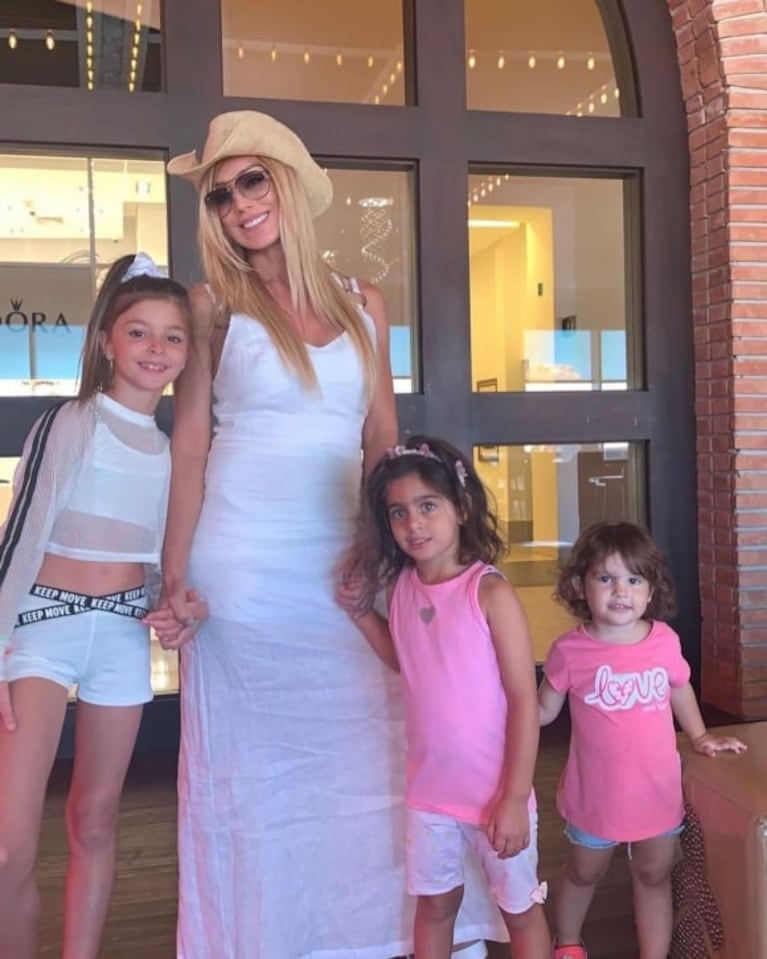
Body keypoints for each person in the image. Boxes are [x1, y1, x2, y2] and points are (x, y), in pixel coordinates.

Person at [149, 110, 507, 959]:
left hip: (347, 556)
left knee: (375, 741)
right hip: (242, 566)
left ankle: (387, 932)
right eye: (220, 194)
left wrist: (386, 547)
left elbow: (380, 436)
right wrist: (174, 575)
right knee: (254, 767)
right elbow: (190, 444)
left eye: (251, 181)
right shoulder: (212, 306)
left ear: (286, 184)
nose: (239, 204)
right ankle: (265, 938)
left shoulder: (363, 302)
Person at [0, 253, 201, 959]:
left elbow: (151, 563)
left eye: (172, 336)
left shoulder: (172, 452)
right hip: (40, 630)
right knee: (8, 846)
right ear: (108, 342)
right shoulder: (71, 422)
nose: (155, 348)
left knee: (95, 818)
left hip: (119, 639)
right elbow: (21, 537)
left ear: (187, 353)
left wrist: (176, 607)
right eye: (138, 331)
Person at [337, 436, 551, 959]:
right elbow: (404, 658)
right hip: (430, 795)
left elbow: (524, 701)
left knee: (520, 910)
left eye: (428, 506)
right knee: (434, 907)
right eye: (399, 513)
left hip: (495, 792)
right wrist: (362, 614)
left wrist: (513, 797)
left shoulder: (489, 593)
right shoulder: (403, 589)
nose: (414, 523)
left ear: (462, 507)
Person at [538, 521, 747, 959]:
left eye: (634, 580)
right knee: (584, 871)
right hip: (595, 795)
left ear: (651, 590)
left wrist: (700, 735)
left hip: (656, 791)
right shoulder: (569, 651)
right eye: (605, 578)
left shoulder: (664, 642)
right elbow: (542, 711)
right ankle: (569, 941)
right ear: (579, 586)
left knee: (654, 874)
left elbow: (679, 688)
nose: (621, 591)